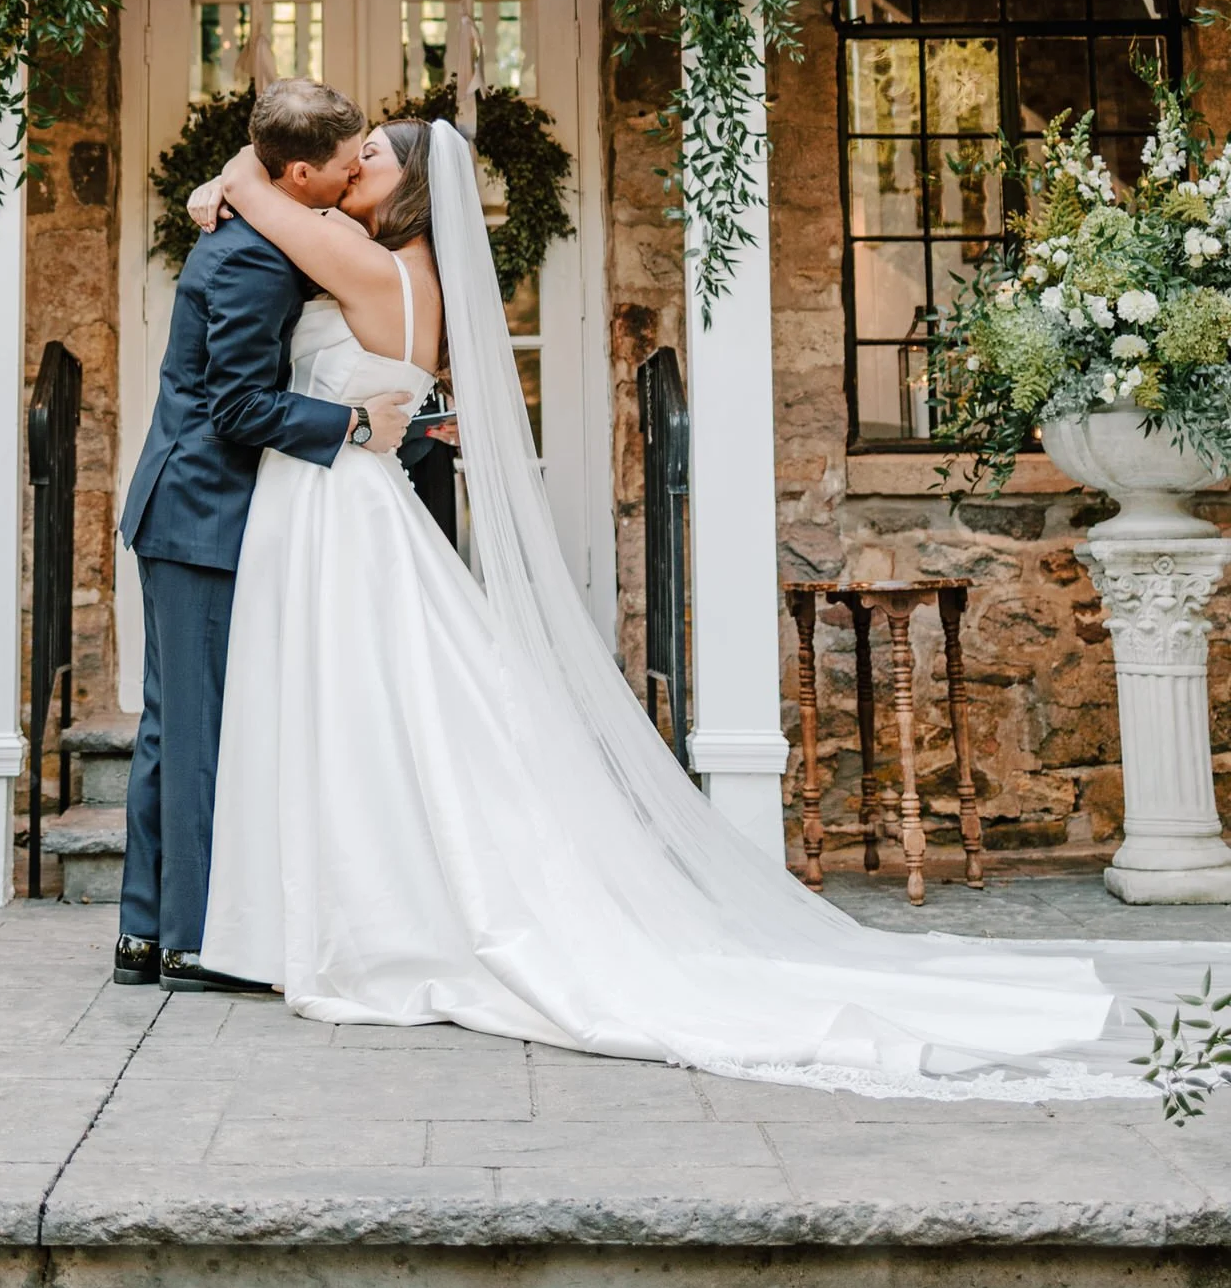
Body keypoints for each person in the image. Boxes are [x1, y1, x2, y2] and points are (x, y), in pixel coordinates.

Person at [187, 110, 1229, 1100]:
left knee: (377, 706)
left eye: (370, 156)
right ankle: (368, 897)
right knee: (395, 710)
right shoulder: (406, 269)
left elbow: (263, 194)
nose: (351, 165)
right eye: (352, 152)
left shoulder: (369, 263)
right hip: (353, 506)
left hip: (344, 509)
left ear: (412, 190)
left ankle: (378, 915)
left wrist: (228, 178)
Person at [115, 80, 413, 994]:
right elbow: (239, 404)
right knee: (196, 730)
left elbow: (247, 170)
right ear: (299, 173)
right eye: (342, 162)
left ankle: (146, 931)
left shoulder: (255, 219)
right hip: (201, 510)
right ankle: (192, 943)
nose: (354, 169)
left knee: (175, 725)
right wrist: (355, 428)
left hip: (184, 508)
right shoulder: (254, 259)